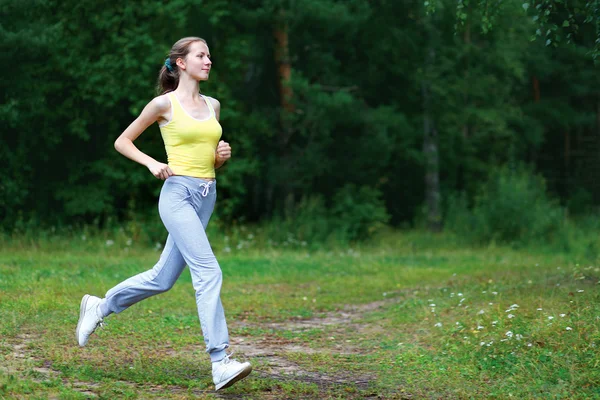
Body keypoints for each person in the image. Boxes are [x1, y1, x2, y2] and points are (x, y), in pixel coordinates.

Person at [75, 37, 252, 391]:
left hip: (206, 195)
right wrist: (152, 162)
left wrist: (220, 156)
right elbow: (123, 141)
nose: (208, 61)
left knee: (162, 278)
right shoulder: (163, 104)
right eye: (201, 55)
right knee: (208, 271)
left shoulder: (213, 105)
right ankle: (220, 361)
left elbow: (209, 157)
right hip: (177, 196)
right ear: (181, 63)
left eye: (209, 55)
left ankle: (101, 305)